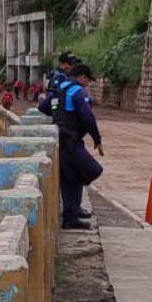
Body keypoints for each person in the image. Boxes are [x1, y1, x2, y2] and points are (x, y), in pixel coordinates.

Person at [39, 62, 104, 230]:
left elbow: (43, 107)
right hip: (71, 141)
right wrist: (97, 139)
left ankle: (71, 215)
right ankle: (71, 213)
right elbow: (87, 116)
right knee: (93, 170)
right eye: (87, 80)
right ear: (82, 77)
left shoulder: (58, 89)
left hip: (59, 141)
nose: (88, 84)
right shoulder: (77, 92)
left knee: (70, 179)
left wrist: (58, 113)